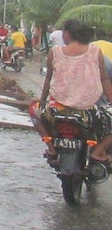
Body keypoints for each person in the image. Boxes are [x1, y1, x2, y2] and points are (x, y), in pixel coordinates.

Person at [29, 19, 112, 163]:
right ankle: (98, 152)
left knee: (32, 110)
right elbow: (105, 80)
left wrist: (42, 100)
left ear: (67, 34)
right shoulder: (95, 51)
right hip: (88, 112)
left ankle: (51, 148)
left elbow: (48, 79)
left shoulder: (55, 52)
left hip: (57, 110)